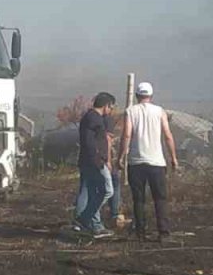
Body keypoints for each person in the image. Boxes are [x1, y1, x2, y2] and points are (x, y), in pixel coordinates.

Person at [120, 81, 178, 241]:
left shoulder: (130, 111)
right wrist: (173, 157)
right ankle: (164, 233)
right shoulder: (160, 111)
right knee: (160, 198)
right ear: (151, 96)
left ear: (138, 95)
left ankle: (140, 233)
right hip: (156, 163)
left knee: (138, 200)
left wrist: (121, 156)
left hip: (136, 162)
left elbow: (126, 135)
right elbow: (167, 135)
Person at [75, 92, 117, 238]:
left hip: (90, 161)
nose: (111, 110)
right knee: (108, 190)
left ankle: (96, 226)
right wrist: (101, 160)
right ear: (106, 105)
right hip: (96, 162)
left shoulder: (91, 117)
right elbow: (91, 143)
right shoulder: (94, 119)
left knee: (93, 192)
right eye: (111, 107)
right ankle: (85, 217)